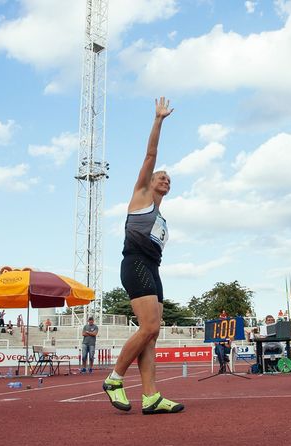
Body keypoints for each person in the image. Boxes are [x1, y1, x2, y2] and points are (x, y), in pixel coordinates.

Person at [103, 97, 184, 415]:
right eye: (160, 176)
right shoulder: (140, 196)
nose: (164, 179)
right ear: (149, 182)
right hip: (135, 263)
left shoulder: (162, 219)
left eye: (168, 179)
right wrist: (159, 120)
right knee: (149, 328)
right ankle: (114, 378)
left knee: (151, 335)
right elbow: (151, 154)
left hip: (153, 268)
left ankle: (151, 396)